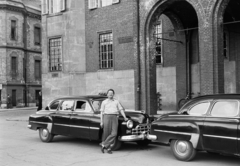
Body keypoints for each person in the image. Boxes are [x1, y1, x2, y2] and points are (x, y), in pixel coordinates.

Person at [100, 89, 128, 154]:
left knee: (114, 133)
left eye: (112, 93)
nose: (110, 94)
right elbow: (101, 112)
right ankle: (108, 148)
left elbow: (121, 109)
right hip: (106, 117)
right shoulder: (104, 102)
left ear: (113, 94)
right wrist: (101, 121)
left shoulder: (116, 101)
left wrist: (125, 117)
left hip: (114, 117)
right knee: (106, 133)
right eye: (109, 93)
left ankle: (103, 144)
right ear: (107, 94)